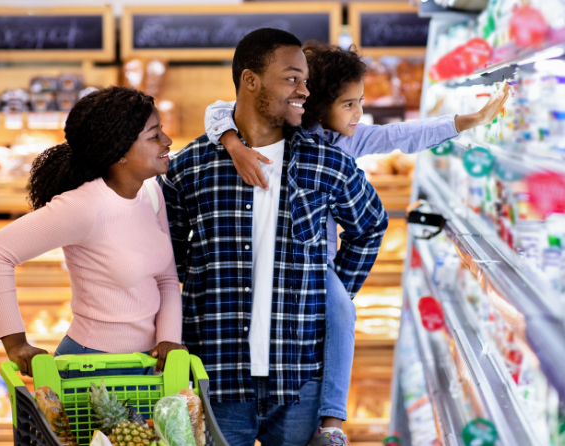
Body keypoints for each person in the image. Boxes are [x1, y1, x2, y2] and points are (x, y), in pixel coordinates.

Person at [203, 43, 509, 444]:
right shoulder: (279, 127)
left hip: (315, 267)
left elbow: (401, 135)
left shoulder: (347, 141)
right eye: (349, 104)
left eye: (360, 103)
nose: (359, 113)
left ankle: (331, 421)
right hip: (259, 265)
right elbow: (217, 109)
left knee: (342, 312)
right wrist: (232, 143)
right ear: (317, 103)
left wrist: (467, 121)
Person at [159, 28, 387, 446]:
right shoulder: (191, 168)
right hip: (217, 377)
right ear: (250, 81)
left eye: (306, 79)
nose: (305, 90)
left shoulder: (327, 164)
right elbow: (165, 259)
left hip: (299, 379)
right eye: (291, 78)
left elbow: (370, 225)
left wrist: (332, 290)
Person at [0, 86, 185, 378]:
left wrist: (169, 341)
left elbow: (166, 278)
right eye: (154, 136)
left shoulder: (151, 192)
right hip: (92, 368)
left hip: (148, 366)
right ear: (120, 152)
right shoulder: (84, 206)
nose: (167, 141)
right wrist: (16, 344)